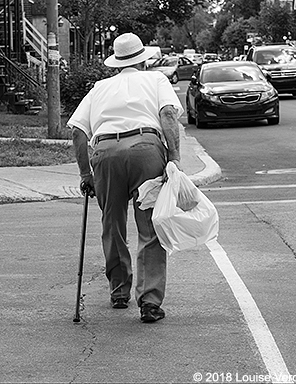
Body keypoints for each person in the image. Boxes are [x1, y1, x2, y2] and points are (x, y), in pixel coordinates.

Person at [67, 33, 183, 323]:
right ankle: (150, 302)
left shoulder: (99, 88)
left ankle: (119, 291)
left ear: (116, 63)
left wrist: (86, 174)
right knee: (149, 227)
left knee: (112, 223)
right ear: (143, 60)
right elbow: (168, 114)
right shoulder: (156, 80)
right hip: (146, 150)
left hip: (106, 153)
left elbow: (78, 131)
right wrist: (174, 158)